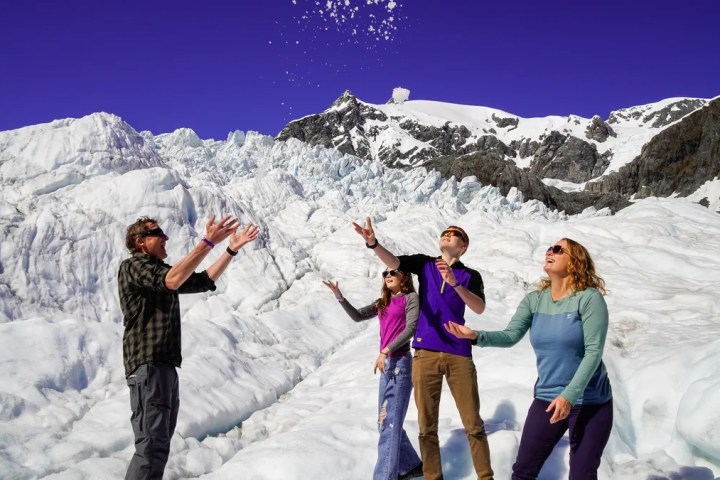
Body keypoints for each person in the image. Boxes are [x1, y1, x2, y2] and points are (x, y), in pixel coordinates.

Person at [445, 238, 613, 479]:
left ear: (575, 261)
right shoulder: (535, 300)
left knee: (582, 474)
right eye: (549, 248)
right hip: (547, 397)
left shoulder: (589, 299)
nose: (550, 252)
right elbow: (511, 335)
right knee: (523, 471)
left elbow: (594, 352)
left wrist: (569, 395)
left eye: (558, 249)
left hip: (591, 402)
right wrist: (475, 336)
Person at [118, 215, 259, 480]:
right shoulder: (133, 266)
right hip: (148, 366)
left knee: (158, 446)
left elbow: (202, 280)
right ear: (140, 242)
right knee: (151, 446)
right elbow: (172, 281)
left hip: (163, 367)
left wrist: (230, 249)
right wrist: (207, 242)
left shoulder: (160, 271)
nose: (165, 237)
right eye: (157, 232)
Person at [353, 218, 494, 480]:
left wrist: (455, 283)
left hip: (458, 353)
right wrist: (372, 243)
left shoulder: (470, 276)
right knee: (426, 428)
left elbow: (479, 307)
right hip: (425, 354)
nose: (447, 235)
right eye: (445, 232)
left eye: (454, 234)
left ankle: (486, 477)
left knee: (473, 425)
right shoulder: (425, 264)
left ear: (463, 247)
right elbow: (394, 263)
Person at [322, 267, 423, 480]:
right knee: (384, 423)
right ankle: (410, 466)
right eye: (385, 273)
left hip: (400, 365)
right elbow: (358, 316)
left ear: (404, 276)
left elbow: (411, 328)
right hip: (387, 366)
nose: (388, 276)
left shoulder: (410, 298)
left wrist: (386, 350)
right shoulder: (382, 302)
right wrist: (340, 297)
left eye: (393, 273)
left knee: (390, 424)